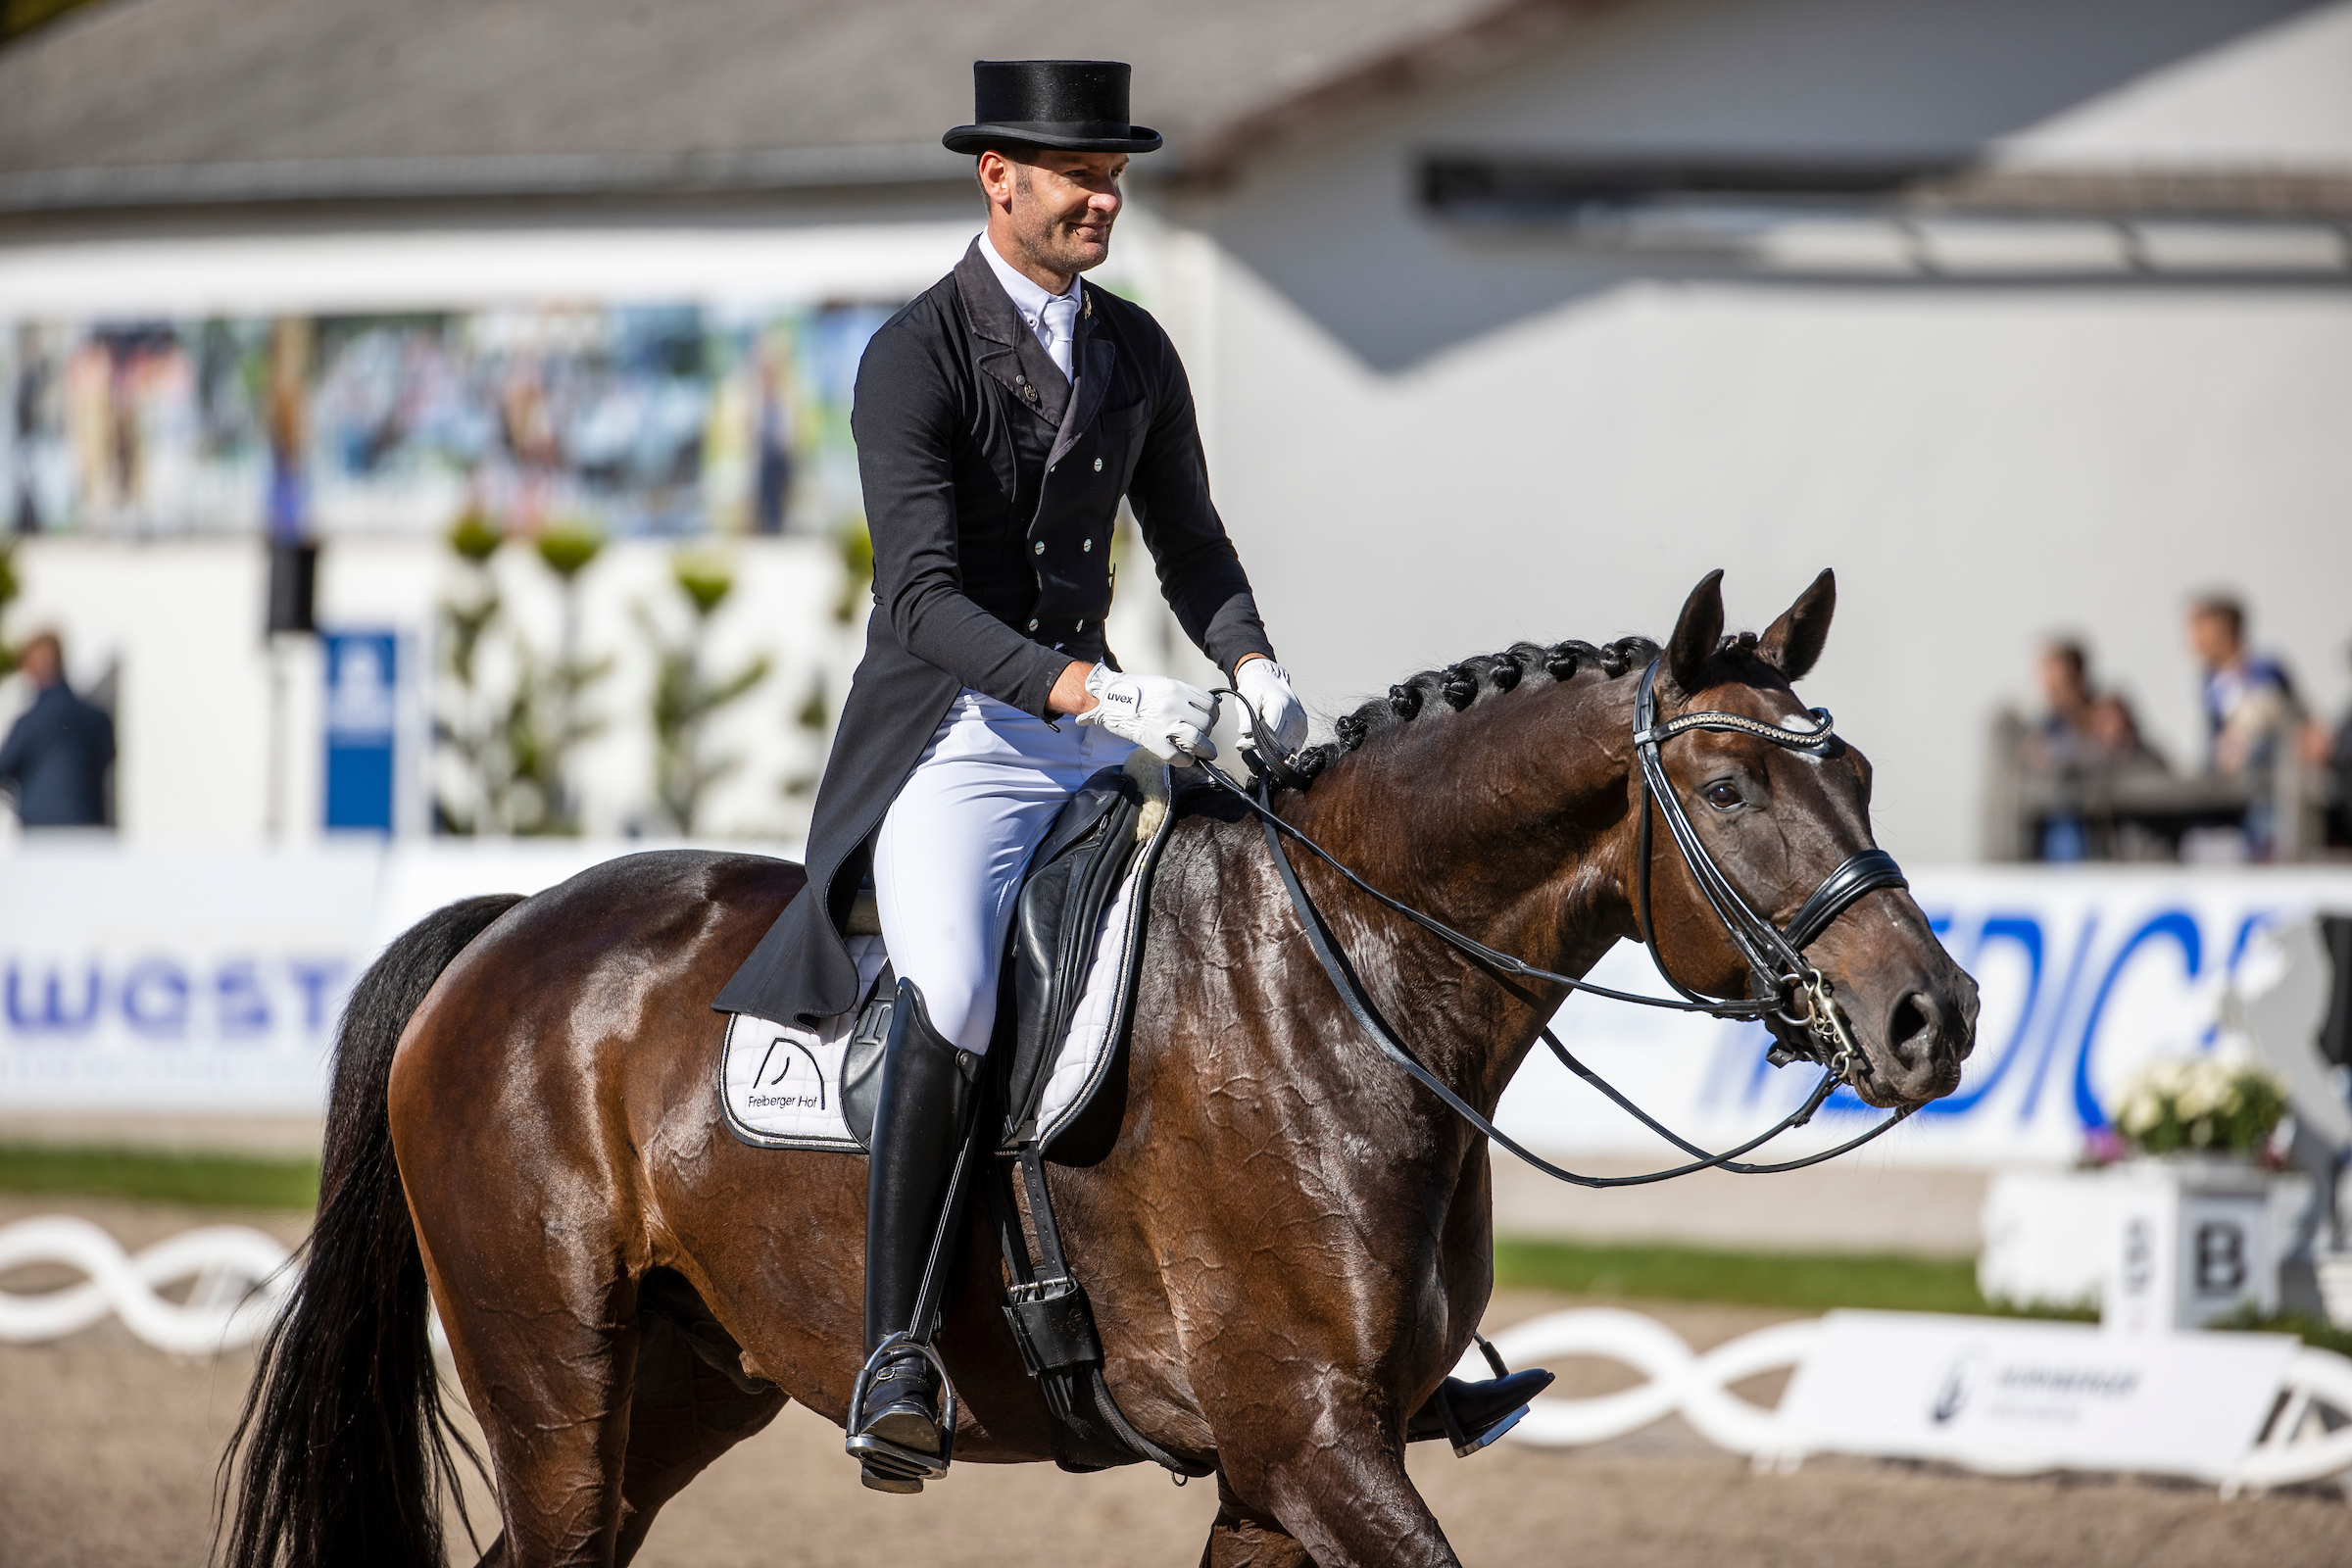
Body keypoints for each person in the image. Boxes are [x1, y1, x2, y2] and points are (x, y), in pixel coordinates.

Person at [710, 60, 1308, 1490]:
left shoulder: (1137, 352)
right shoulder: (916, 355)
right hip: (951, 741)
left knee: (1244, 927)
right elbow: (919, 599)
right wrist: (1094, 686)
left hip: (1090, 730)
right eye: (1079, 175)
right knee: (959, 989)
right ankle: (897, 1349)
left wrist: (1255, 665)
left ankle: (1326, 1315)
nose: (1106, 196)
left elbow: (1192, 543)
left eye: (1117, 173)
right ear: (999, 178)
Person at [0, 631, 114, 829]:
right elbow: (108, 757)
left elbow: (5, 767)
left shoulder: (31, 720)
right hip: (90, 829)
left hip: (43, 835)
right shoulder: (96, 717)